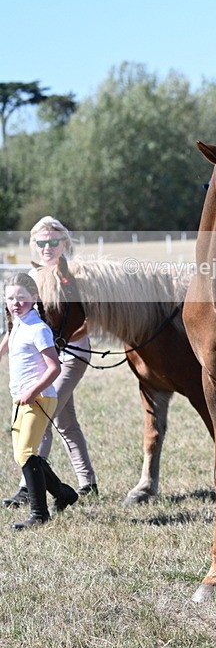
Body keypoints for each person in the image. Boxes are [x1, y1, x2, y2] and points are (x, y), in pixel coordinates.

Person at [2, 216, 97, 508]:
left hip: (72, 355)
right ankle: (87, 483)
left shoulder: (77, 276)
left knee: (41, 414)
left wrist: (66, 340)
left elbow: (93, 317)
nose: (47, 247)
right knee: (65, 420)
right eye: (41, 242)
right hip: (45, 356)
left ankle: (28, 487)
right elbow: (19, 326)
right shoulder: (35, 276)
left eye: (53, 241)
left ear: (64, 243)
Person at [2, 273, 79, 529]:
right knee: (23, 455)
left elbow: (54, 368)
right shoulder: (18, 324)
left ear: (34, 298)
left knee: (26, 453)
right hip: (21, 399)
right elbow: (9, 342)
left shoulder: (38, 329)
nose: (16, 303)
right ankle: (62, 493)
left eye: (22, 298)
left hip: (40, 398)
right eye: (10, 298)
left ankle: (39, 513)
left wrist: (33, 391)